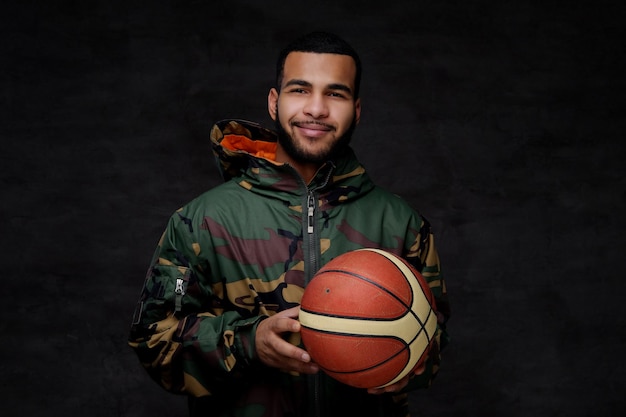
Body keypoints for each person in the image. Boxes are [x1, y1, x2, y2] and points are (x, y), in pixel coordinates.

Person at [128, 31, 450, 417]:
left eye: (335, 93)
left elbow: (434, 342)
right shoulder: (202, 221)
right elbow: (155, 343)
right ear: (274, 101)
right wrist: (249, 342)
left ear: (358, 109)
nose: (316, 109)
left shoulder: (402, 223)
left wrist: (407, 361)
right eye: (300, 90)